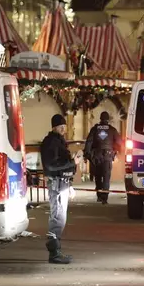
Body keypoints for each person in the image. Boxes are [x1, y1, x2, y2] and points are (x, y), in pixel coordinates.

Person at [40, 114, 80, 264]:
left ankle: (56, 250)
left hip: (61, 182)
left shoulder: (58, 141)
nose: (64, 129)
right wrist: (72, 162)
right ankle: (54, 252)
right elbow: (51, 165)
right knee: (58, 217)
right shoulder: (51, 142)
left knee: (60, 217)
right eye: (61, 126)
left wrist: (70, 184)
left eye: (65, 126)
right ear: (54, 127)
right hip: (57, 183)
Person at [84, 111, 122, 204]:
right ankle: (104, 198)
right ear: (108, 119)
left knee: (98, 176)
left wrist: (87, 154)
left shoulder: (95, 129)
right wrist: (115, 151)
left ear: (100, 119)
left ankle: (99, 196)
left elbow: (89, 141)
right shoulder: (112, 129)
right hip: (108, 156)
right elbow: (119, 142)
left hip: (96, 155)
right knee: (106, 177)